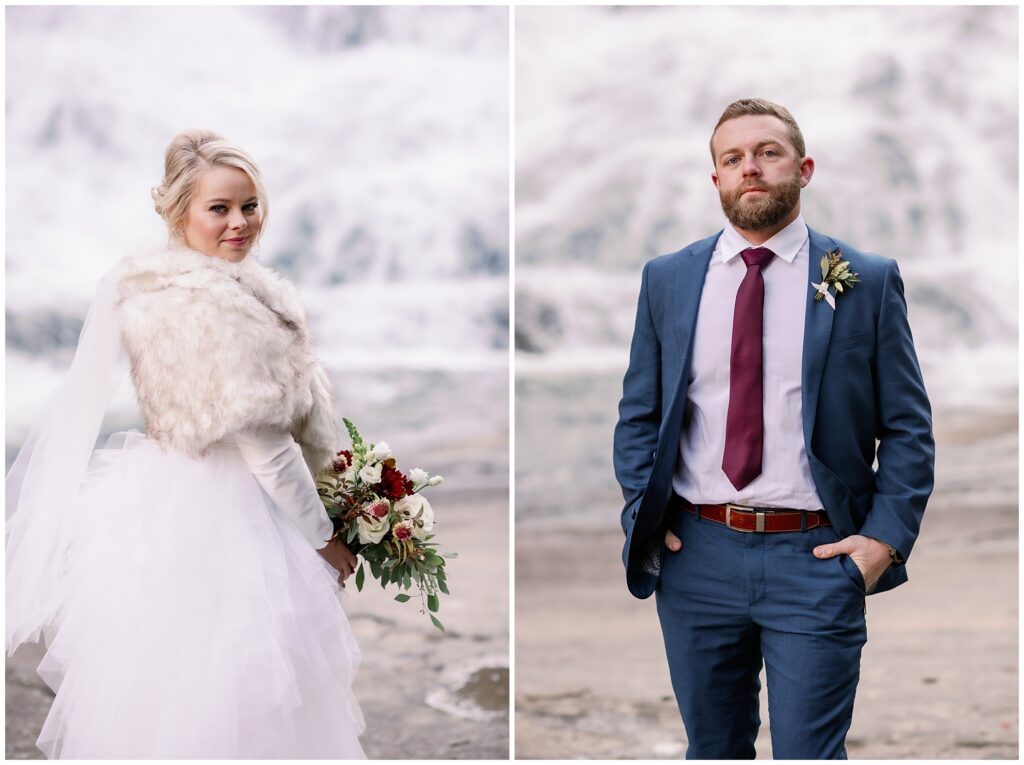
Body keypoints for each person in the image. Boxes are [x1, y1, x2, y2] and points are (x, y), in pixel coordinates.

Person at [6, 130, 366, 758]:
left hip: (160, 502)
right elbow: (269, 453)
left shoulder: (151, 288)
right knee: (243, 694)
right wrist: (327, 541)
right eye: (219, 208)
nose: (239, 223)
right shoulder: (214, 307)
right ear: (179, 213)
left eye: (249, 205)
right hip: (233, 514)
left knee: (164, 691)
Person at [613, 99, 934, 759]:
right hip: (696, 556)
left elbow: (907, 425)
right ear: (717, 180)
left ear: (804, 168)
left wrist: (883, 541)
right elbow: (639, 415)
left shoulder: (865, 280)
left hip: (816, 557)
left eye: (767, 152)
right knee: (713, 750)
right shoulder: (668, 279)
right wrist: (641, 516)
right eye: (732, 159)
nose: (750, 168)